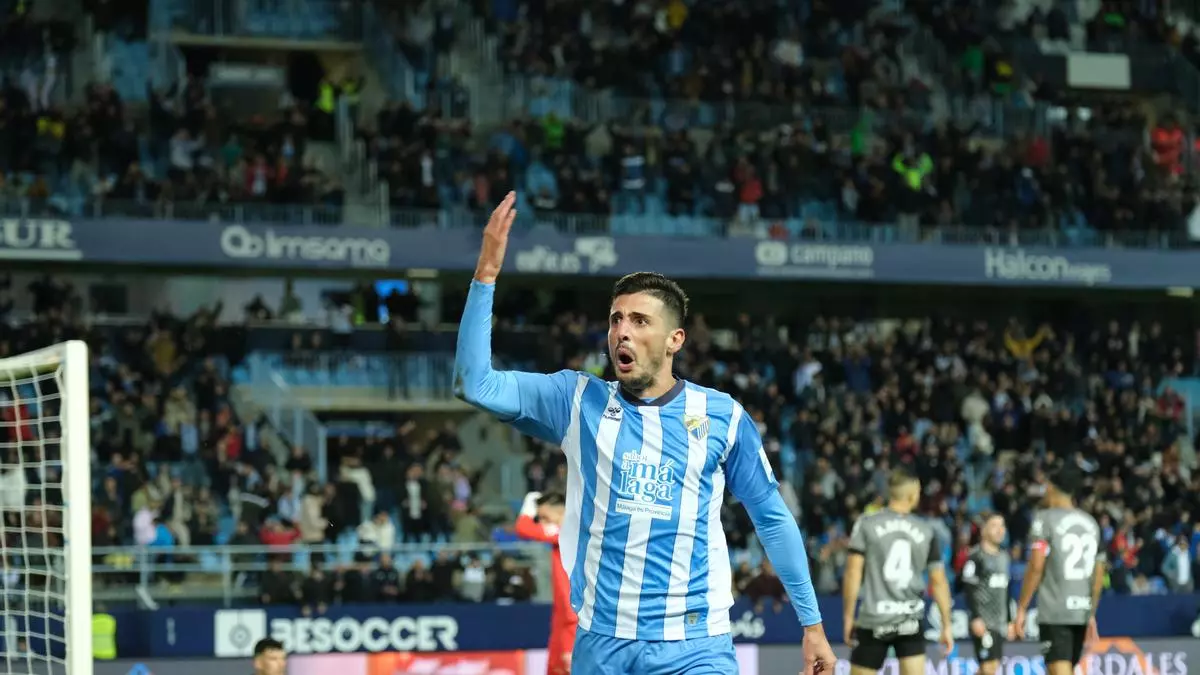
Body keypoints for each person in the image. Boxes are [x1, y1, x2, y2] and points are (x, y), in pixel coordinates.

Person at [455, 193, 837, 675]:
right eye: (616, 319)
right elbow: (475, 384)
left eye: (639, 321)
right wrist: (486, 275)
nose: (622, 331)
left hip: (695, 645)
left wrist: (812, 624)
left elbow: (772, 519)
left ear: (675, 339)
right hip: (602, 643)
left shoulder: (720, 416)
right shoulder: (576, 400)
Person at [842, 469, 954, 675]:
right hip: (909, 620)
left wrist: (848, 616)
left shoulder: (866, 524)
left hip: (875, 617)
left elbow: (852, 573)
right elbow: (938, 581)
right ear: (912, 494)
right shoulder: (926, 530)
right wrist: (946, 626)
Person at [1015, 466, 1104, 675]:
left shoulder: (1044, 519)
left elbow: (1036, 566)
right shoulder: (1091, 523)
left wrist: (1022, 607)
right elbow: (1099, 573)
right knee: (1063, 669)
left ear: (1051, 488)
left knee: (1059, 669)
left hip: (1056, 611)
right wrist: (1091, 613)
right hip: (1081, 610)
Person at [514, 490, 577, 675]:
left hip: (572, 618)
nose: (541, 523)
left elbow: (523, 528)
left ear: (560, 512)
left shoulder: (569, 531)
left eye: (544, 517)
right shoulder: (560, 535)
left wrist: (528, 508)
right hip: (561, 616)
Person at [961, 513, 1014, 675]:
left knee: (991, 666)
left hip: (999, 622)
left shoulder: (1004, 556)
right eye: (994, 526)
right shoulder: (976, 556)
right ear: (984, 530)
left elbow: (1006, 590)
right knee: (989, 667)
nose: (1000, 530)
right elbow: (968, 588)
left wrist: (1009, 620)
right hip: (984, 621)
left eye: (1002, 526)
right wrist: (976, 617)